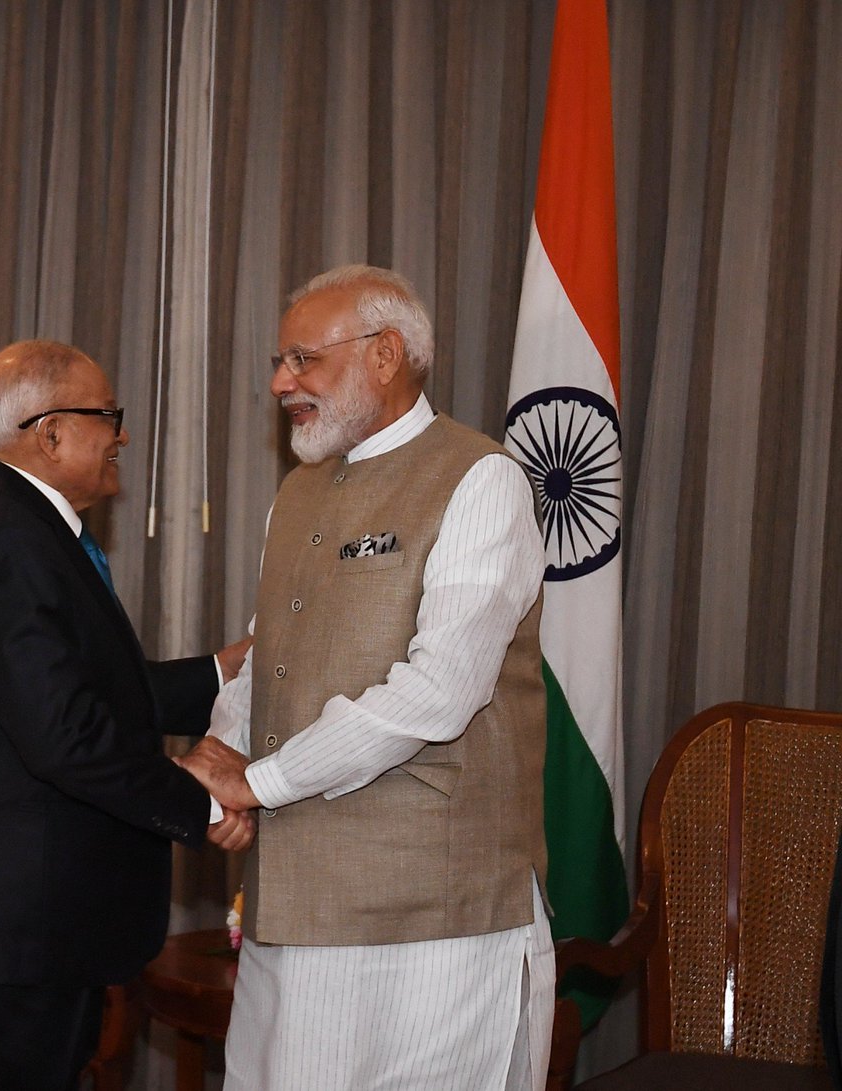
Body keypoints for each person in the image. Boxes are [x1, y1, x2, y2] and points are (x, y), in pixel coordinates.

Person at [179, 265, 555, 1090]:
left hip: (433, 924)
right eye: (279, 362)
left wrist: (259, 783)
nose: (281, 383)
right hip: (290, 908)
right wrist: (222, 759)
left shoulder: (480, 479)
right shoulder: (297, 494)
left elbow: (439, 692)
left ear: (385, 355)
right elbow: (264, 656)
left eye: (303, 359)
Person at [0, 339, 253, 1091]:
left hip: (38, 926)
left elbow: (82, 693)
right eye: (109, 416)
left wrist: (221, 673)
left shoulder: (23, 526)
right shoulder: (9, 541)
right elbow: (65, 735)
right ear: (51, 432)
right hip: (9, 934)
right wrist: (201, 800)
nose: (122, 434)